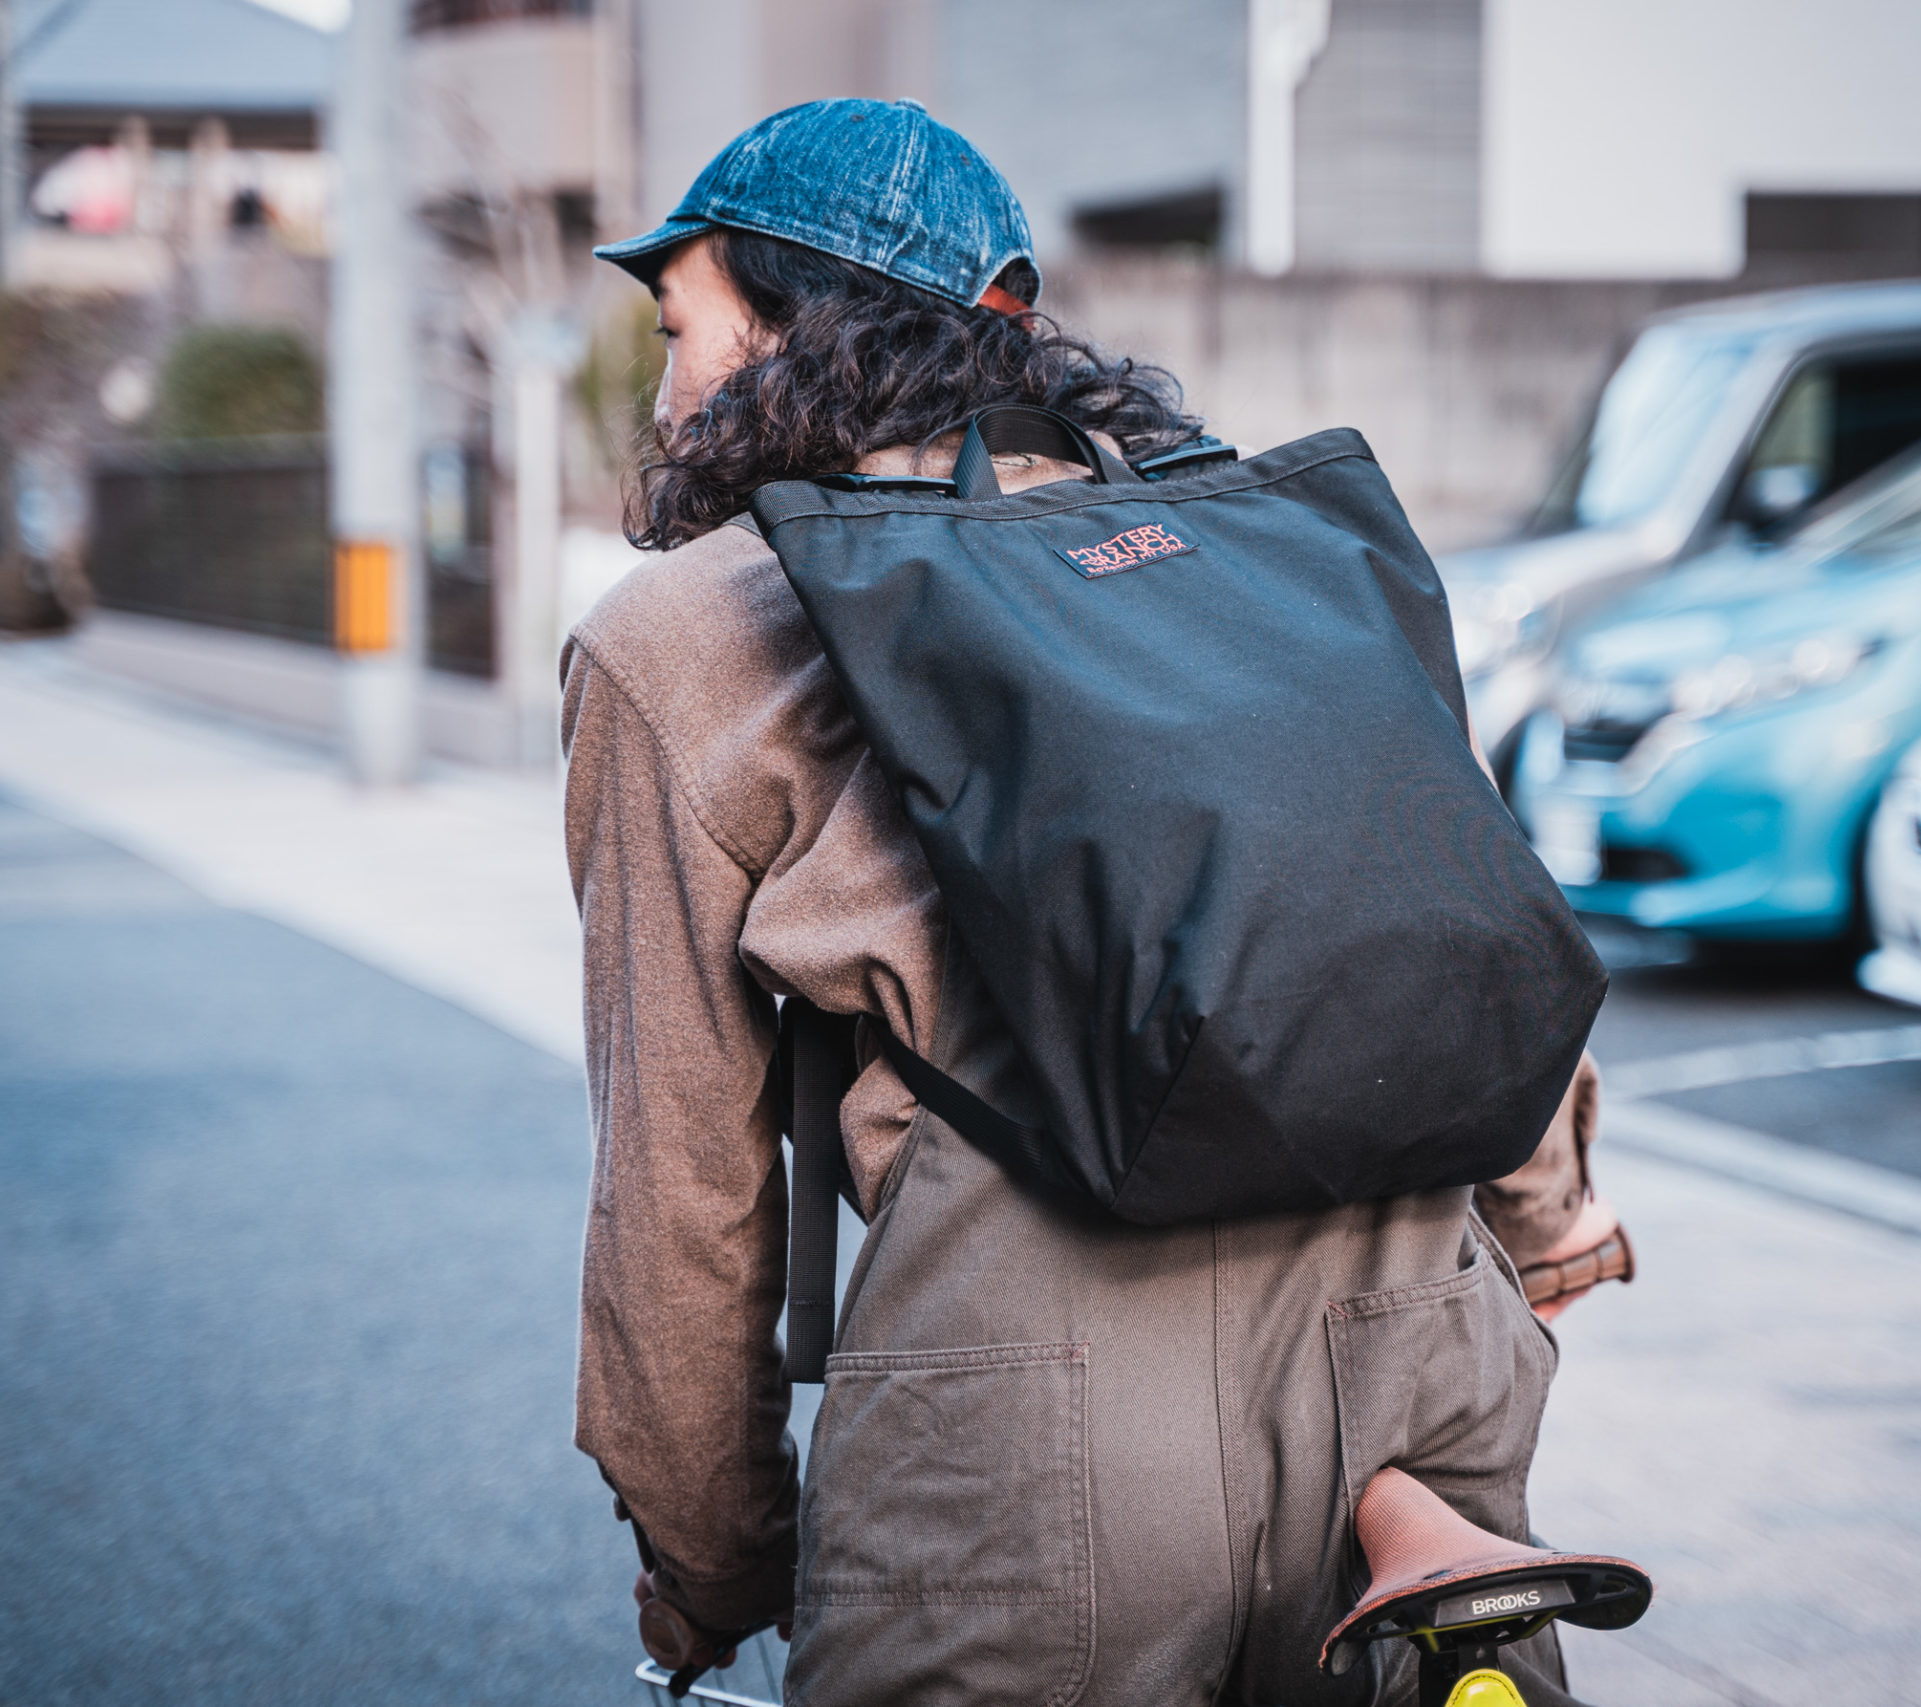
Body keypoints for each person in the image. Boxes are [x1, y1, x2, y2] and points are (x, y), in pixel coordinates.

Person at [564, 97, 1626, 1707]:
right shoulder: (1249, 538)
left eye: (681, 325)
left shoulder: (689, 634)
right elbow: (1443, 891)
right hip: (1416, 1361)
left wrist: (712, 1547)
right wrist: (1554, 1225)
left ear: (794, 329)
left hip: (1032, 1426)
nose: (664, 385)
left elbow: (679, 1179)